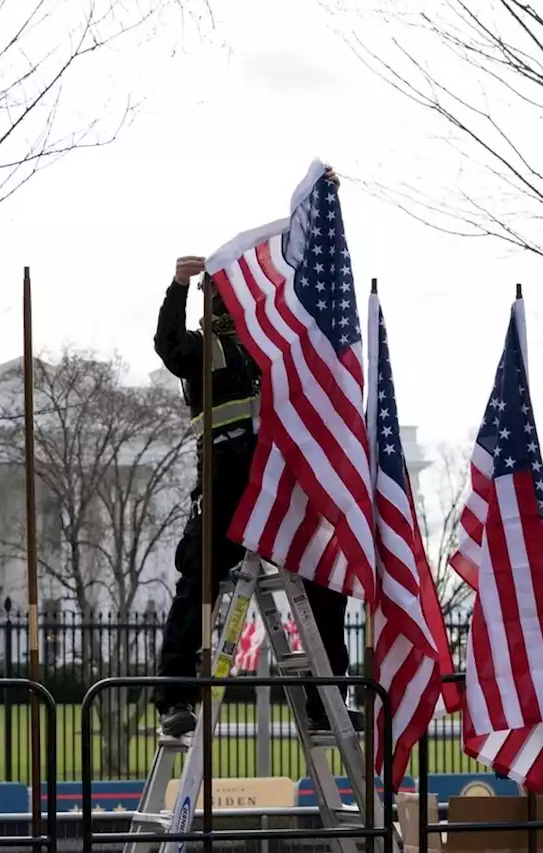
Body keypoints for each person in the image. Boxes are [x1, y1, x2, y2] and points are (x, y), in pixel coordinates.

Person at [151, 183, 362, 738]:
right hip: (224, 480)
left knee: (322, 577)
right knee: (197, 582)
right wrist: (177, 286)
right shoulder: (198, 351)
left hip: (278, 480)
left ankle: (326, 699)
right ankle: (176, 698)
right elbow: (166, 342)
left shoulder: (268, 348)